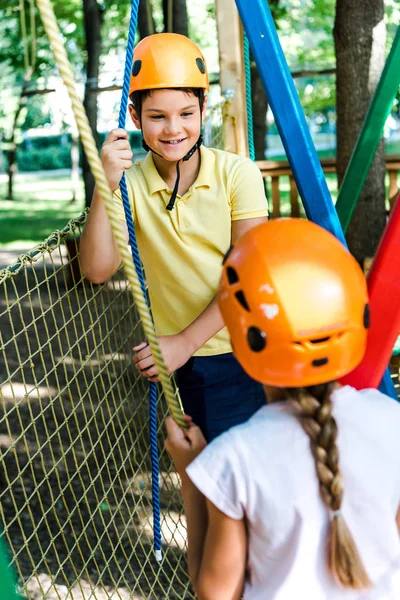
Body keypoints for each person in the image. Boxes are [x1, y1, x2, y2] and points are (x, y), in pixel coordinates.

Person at [165, 218, 400, 600]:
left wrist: (192, 478)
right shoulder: (393, 422)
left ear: (244, 341)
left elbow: (216, 593)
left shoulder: (234, 457)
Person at [80, 33, 269, 441]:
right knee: (198, 470)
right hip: (189, 364)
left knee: (244, 477)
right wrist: (104, 185)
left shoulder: (237, 174)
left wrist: (185, 341)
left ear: (203, 108)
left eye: (186, 112)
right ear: (135, 118)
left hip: (249, 346)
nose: (173, 129)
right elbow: (96, 269)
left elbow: (250, 275)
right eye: (157, 116)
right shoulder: (128, 185)